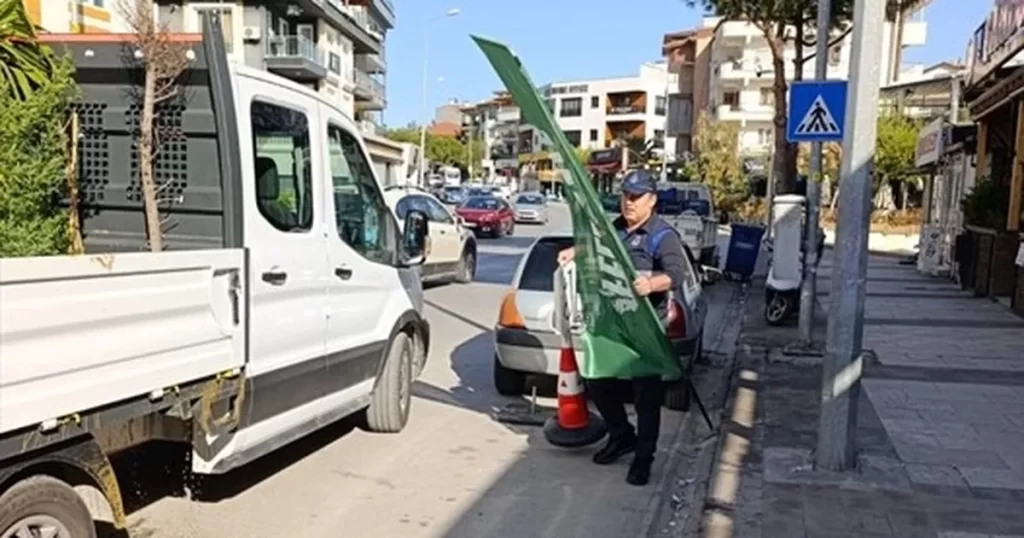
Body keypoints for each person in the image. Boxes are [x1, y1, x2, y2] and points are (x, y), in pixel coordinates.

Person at [557, 169, 689, 486]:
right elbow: (598, 245)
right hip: (614, 321)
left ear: (652, 200)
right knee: (596, 377)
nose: (628, 203)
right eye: (625, 196)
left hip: (646, 326)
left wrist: (652, 282)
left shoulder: (663, 235)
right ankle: (621, 435)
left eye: (635, 197)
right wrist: (576, 251)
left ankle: (644, 458)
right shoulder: (616, 228)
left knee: (646, 394)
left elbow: (676, 274)